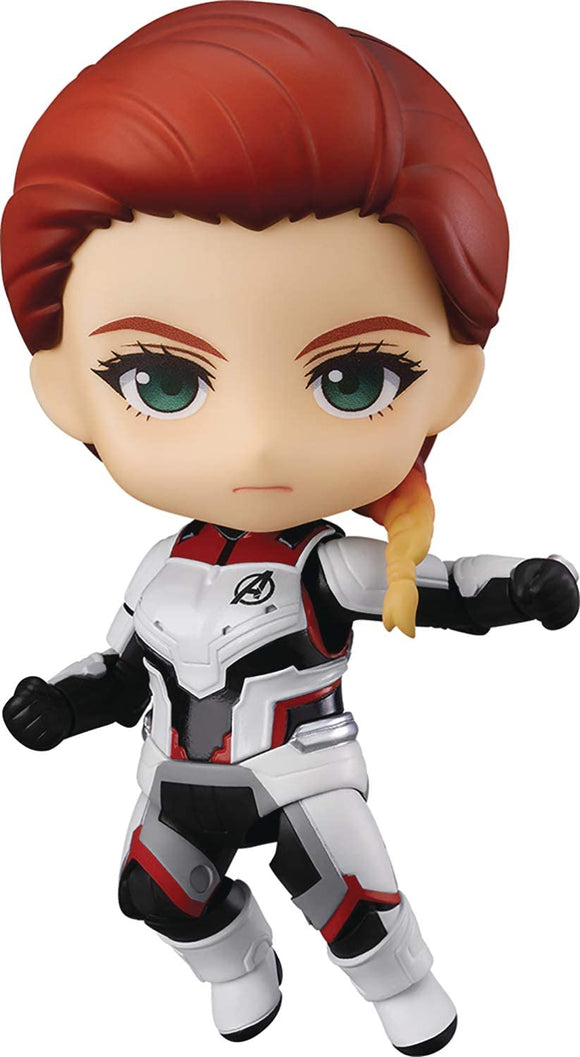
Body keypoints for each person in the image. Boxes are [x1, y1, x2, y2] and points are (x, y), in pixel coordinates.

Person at [2, 4, 578, 1053]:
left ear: (450, 378)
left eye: (352, 378)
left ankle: (404, 992)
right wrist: (61, 701)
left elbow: (440, 585)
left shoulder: (326, 564)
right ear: (65, 390)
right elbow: (123, 668)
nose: (258, 443)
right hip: (178, 774)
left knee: (357, 906)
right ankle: (238, 962)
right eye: (162, 380)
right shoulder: (162, 566)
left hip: (300, 772)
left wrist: (520, 586)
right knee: (153, 894)